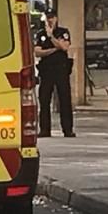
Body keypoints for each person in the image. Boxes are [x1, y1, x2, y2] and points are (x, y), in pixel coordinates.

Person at [34, 9, 75, 138]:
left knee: (65, 100)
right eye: (48, 18)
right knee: (44, 100)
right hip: (46, 71)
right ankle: (45, 130)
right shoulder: (40, 34)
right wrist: (54, 49)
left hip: (61, 70)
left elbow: (64, 47)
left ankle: (67, 129)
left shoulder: (63, 32)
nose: (50, 20)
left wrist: (51, 36)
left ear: (56, 18)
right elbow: (37, 52)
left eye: (52, 17)